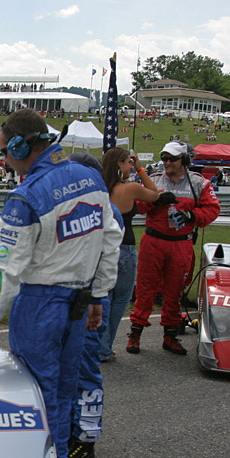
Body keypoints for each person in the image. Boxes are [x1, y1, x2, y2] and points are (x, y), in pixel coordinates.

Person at [0, 109, 121, 458]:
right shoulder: (90, 177)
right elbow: (111, 241)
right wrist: (98, 296)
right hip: (80, 302)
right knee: (63, 391)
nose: (2, 160)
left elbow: (3, 274)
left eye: (2, 152)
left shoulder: (25, 197)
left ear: (18, 145)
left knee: (36, 394)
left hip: (40, 305)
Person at [126, 141, 220, 355]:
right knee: (145, 288)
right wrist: (155, 201)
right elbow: (137, 206)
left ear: (184, 160)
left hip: (181, 244)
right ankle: (135, 334)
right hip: (154, 242)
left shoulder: (199, 184)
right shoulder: (154, 180)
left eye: (172, 158)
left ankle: (170, 336)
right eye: (165, 158)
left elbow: (213, 210)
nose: (167, 162)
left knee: (175, 291)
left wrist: (192, 216)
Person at [97, 147, 168, 363]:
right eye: (128, 162)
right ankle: (104, 349)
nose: (130, 166)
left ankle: (97, 346)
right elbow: (155, 194)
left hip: (101, 248)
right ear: (120, 164)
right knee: (120, 300)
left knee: (103, 298)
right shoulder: (129, 188)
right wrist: (141, 169)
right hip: (123, 247)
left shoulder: (100, 188)